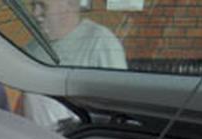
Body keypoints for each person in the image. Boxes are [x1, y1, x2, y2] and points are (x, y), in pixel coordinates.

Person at [18, 0, 127, 129]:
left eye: (42, 5)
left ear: (68, 4)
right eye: (33, 5)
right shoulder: (32, 49)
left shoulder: (100, 42)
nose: (35, 13)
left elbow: (120, 109)